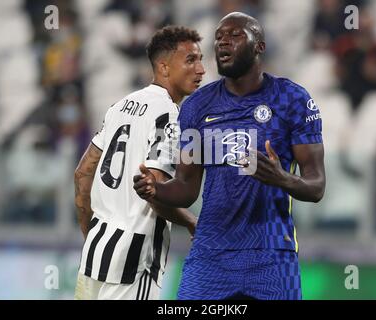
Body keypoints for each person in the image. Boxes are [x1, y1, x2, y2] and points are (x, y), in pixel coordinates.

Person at [134, 12, 325, 300]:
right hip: (211, 254)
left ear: (259, 46)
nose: (223, 42)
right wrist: (156, 188)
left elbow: (317, 186)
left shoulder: (292, 99)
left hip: (272, 254)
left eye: (235, 36)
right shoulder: (197, 106)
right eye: (219, 38)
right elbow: (186, 188)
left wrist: (281, 178)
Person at [74, 26, 205, 300]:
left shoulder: (121, 105)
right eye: (191, 60)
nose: (201, 69)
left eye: (201, 59)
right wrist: (192, 221)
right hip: (134, 258)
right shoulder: (169, 116)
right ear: (164, 67)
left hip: (96, 251)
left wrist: (93, 233)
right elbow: (154, 192)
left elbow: (83, 173)